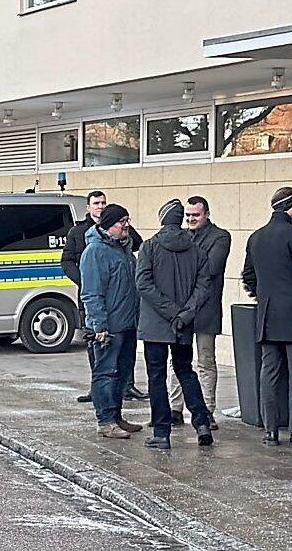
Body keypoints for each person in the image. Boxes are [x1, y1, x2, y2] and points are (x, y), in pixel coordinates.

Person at [242, 186, 292, 447]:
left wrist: (263, 296)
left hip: (267, 314)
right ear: (290, 206)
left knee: (269, 372)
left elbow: (248, 275)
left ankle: (271, 430)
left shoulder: (256, 237)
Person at [136, 199, 216, 449]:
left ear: (162, 219)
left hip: (156, 325)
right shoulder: (197, 250)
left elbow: (143, 284)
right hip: (183, 324)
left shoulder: (149, 247)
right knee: (185, 371)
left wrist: (171, 313)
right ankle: (202, 424)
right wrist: (184, 315)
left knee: (156, 377)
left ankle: (161, 433)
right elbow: (204, 287)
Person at [64, 191, 146, 403]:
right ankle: (105, 411)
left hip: (125, 318)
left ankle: (121, 400)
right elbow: (70, 264)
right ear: (89, 207)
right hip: (103, 313)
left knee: (122, 365)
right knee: (105, 368)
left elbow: (139, 244)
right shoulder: (85, 239)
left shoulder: (123, 244)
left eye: (103, 202)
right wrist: (84, 280)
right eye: (96, 203)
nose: (100, 206)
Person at [80, 204, 143, 440]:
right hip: (109, 327)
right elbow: (92, 293)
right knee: (105, 372)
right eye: (122, 222)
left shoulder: (123, 249)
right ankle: (105, 421)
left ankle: (116, 416)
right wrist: (99, 326)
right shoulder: (95, 252)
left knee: (122, 373)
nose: (126, 226)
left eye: (127, 220)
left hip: (128, 323)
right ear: (108, 226)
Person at [167, 195, 230, 428]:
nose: (191, 219)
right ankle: (175, 408)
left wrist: (183, 267)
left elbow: (211, 268)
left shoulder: (219, 236)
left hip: (206, 308)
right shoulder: (181, 236)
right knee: (177, 361)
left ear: (207, 214)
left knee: (205, 361)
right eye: (188, 215)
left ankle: (207, 410)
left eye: (196, 215)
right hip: (182, 309)